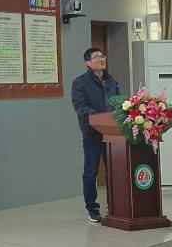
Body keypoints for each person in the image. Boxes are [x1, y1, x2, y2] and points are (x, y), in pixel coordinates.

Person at [71, 47, 119, 223]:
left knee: (114, 170)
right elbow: (80, 107)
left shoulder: (111, 81)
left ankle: (115, 205)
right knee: (91, 171)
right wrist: (100, 118)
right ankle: (92, 208)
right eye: (97, 57)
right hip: (92, 133)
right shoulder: (80, 83)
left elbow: (118, 103)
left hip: (112, 133)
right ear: (88, 63)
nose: (102, 59)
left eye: (102, 56)